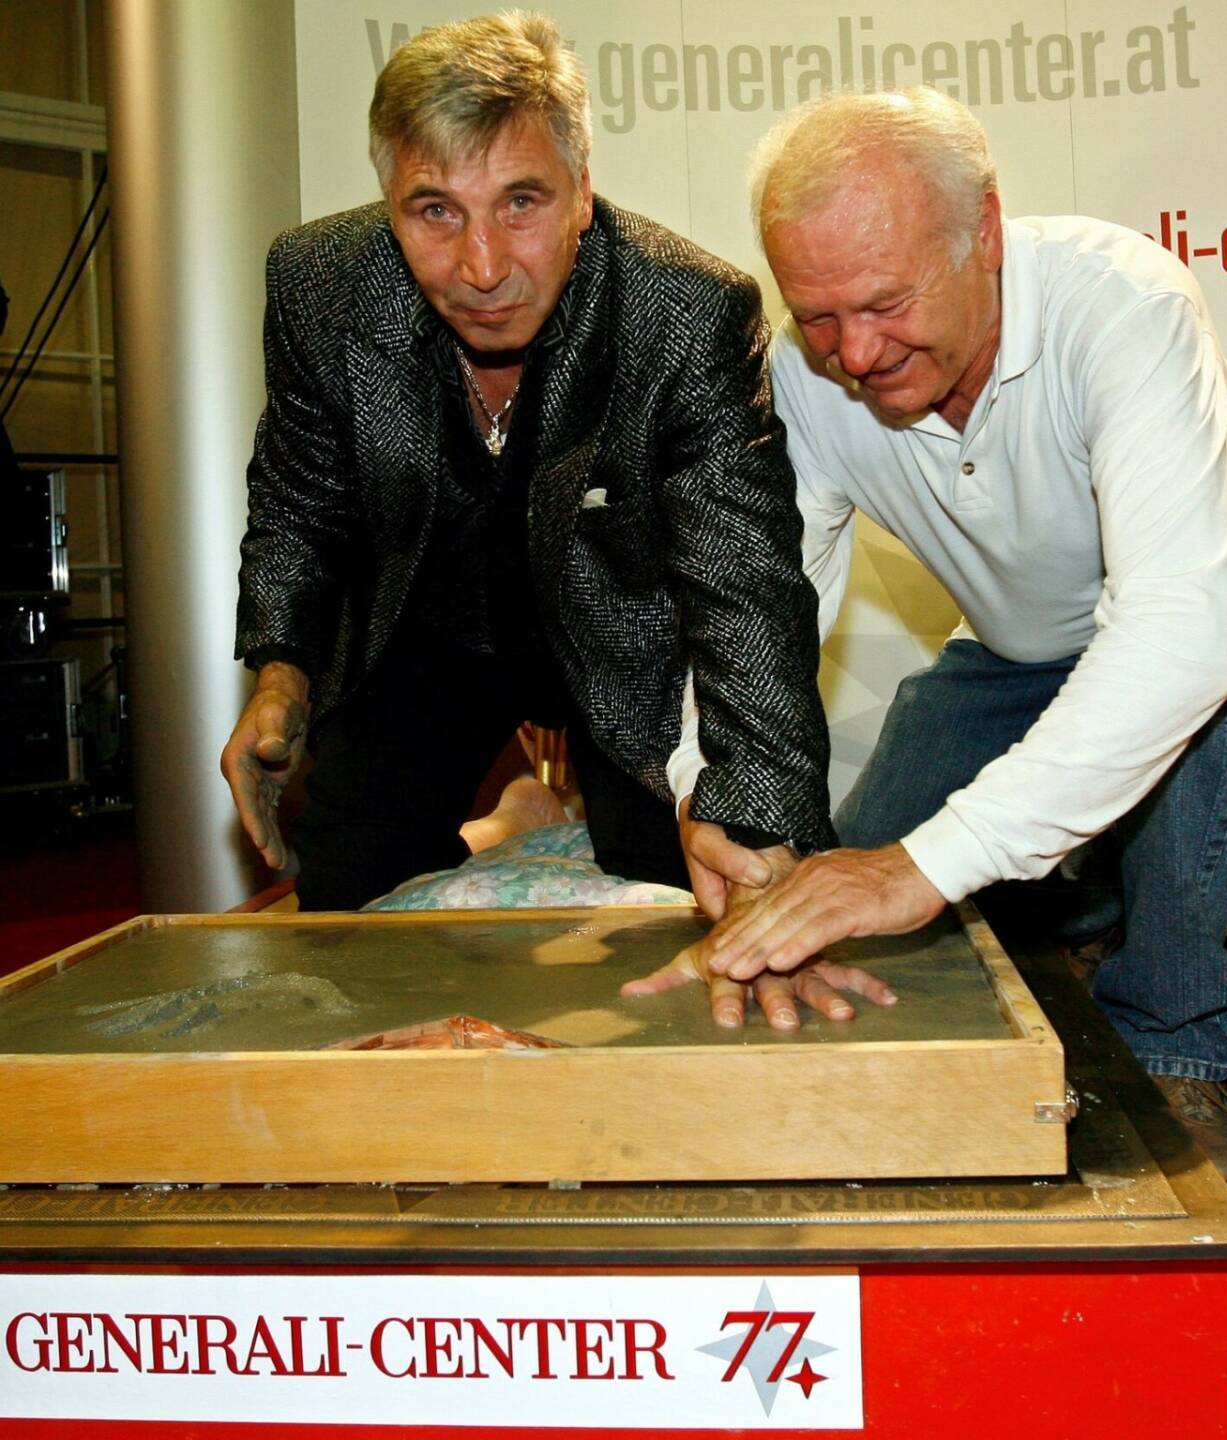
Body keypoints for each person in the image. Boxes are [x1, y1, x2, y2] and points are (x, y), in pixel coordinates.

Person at [690, 88, 1227, 1201]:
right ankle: (1098, 900)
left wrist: (918, 870)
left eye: (884, 302)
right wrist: (718, 793)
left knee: (1212, 675)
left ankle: (1174, 1042)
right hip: (1024, 642)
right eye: (820, 315)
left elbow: (1180, 634)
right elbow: (766, 609)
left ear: (983, 231)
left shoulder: (1122, 301)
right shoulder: (808, 370)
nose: (855, 352)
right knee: (867, 887)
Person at [221, 12, 887, 1031]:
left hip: (621, 635)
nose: (482, 265)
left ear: (582, 191)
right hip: (424, 629)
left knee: (684, 894)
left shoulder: (684, 312)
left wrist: (758, 830)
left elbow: (744, 585)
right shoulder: (318, 285)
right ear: (389, 201)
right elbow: (301, 498)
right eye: (435, 211)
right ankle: (521, 814)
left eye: (520, 202)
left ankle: (541, 809)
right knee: (346, 922)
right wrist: (281, 672)